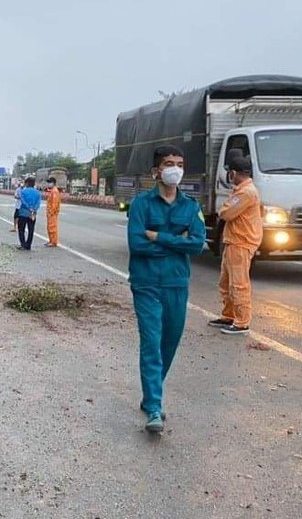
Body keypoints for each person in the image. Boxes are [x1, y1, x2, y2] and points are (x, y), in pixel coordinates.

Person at [127, 145, 206, 433]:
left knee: (169, 343)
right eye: (169, 163)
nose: (175, 168)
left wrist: (158, 236)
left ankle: (151, 393)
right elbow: (137, 244)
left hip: (176, 283)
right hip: (146, 283)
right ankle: (155, 408)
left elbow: (198, 244)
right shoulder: (141, 205)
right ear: (156, 171)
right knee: (151, 341)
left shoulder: (190, 206)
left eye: (180, 163)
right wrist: (176, 242)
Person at [208, 153, 263, 335]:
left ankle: (241, 322)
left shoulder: (246, 192)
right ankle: (228, 315)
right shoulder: (241, 190)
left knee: (239, 284)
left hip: (241, 242)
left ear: (233, 173)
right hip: (233, 241)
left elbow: (226, 213)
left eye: (230, 173)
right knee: (226, 282)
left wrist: (224, 208)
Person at [17, 177, 41, 250]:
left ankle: (23, 244)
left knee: (21, 229)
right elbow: (38, 203)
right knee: (31, 229)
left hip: (23, 213)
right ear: (34, 184)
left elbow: (23, 201)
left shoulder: (23, 191)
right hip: (33, 214)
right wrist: (34, 209)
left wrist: (28, 207)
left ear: (26, 183)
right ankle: (28, 245)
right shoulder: (37, 193)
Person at [45, 177, 61, 247]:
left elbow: (54, 204)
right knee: (49, 227)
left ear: (53, 183)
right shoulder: (52, 191)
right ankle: (51, 240)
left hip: (52, 213)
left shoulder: (54, 191)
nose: (48, 184)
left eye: (49, 182)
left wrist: (51, 212)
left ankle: (53, 242)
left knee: (52, 227)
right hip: (50, 213)